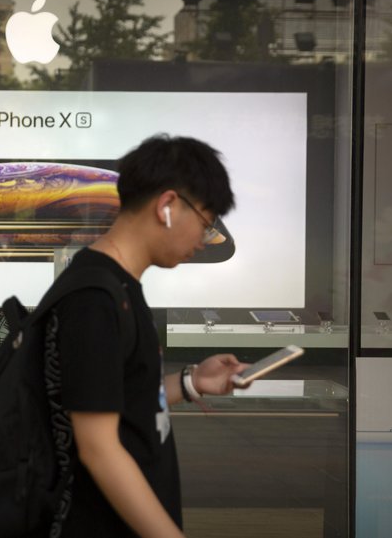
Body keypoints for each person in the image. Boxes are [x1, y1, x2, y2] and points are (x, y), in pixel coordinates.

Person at [53, 134, 248, 537]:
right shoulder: (95, 297)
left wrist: (192, 383)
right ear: (167, 206)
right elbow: (99, 448)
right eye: (205, 221)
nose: (203, 237)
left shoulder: (120, 286)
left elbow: (117, 394)